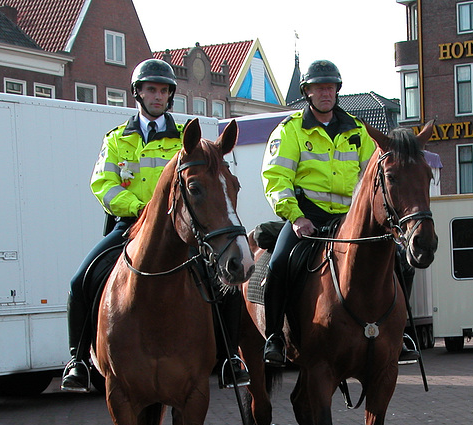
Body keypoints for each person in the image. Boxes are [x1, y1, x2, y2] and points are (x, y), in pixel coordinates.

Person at [61, 58, 249, 392]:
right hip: (131, 225)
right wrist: (138, 208)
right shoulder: (118, 139)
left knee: (225, 286)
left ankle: (229, 358)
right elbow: (104, 184)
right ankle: (78, 360)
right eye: (151, 90)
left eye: (163, 91)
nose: (157, 96)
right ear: (138, 93)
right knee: (81, 280)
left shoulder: (186, 141)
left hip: (180, 231)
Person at [261, 59, 420, 366]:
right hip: (309, 217)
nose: (326, 93)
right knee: (278, 264)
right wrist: (295, 217)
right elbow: (276, 178)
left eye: (331, 87)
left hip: (350, 219)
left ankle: (401, 334)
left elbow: (375, 178)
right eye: (320, 88)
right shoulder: (290, 130)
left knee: (402, 261)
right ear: (307, 92)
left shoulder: (358, 130)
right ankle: (274, 338)